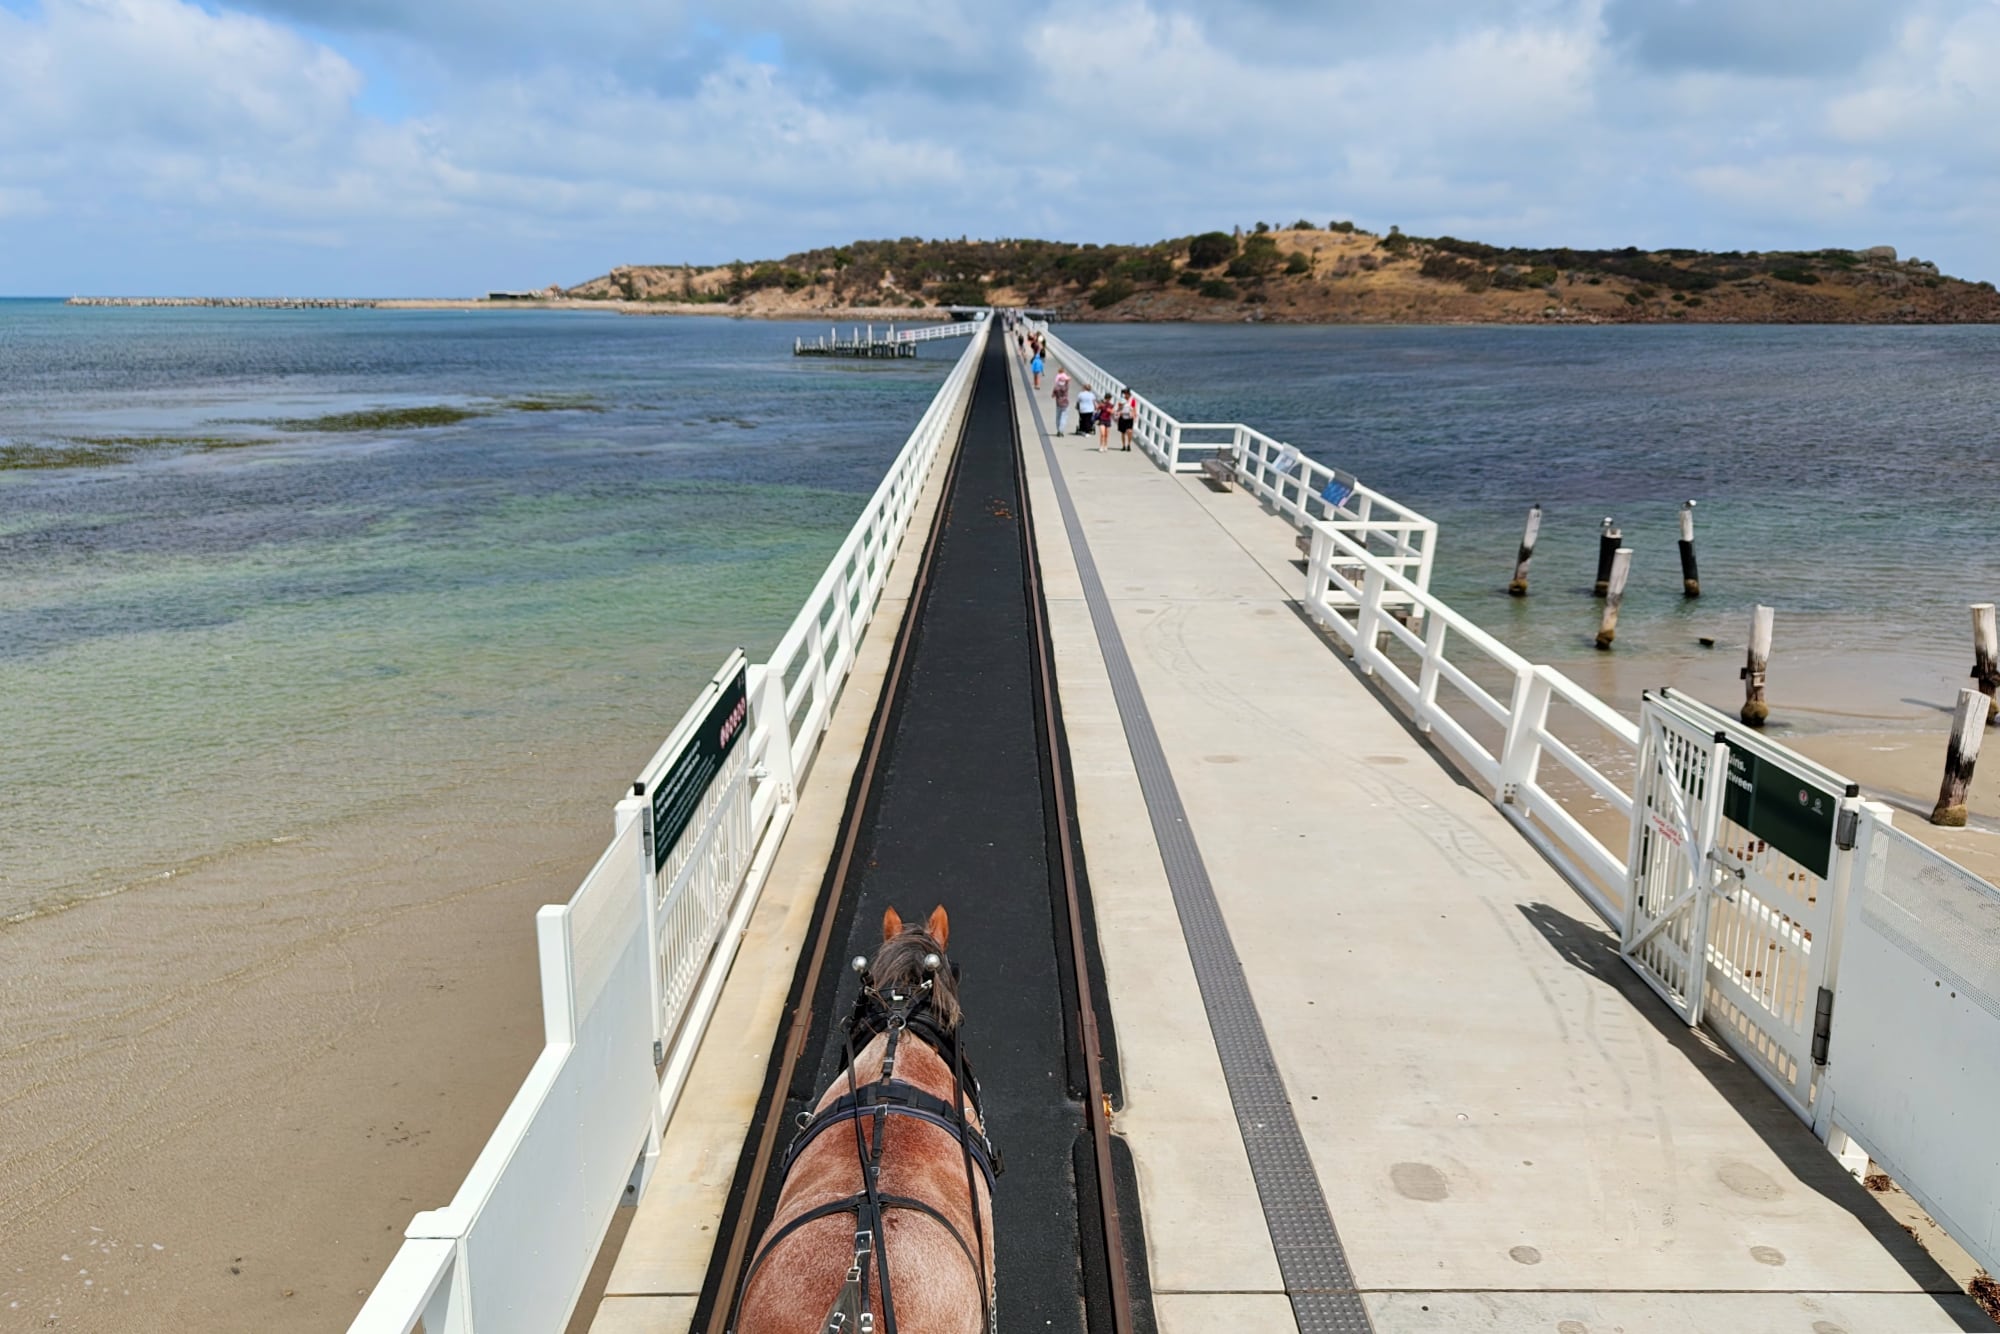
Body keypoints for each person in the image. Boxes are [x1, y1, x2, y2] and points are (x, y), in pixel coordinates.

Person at [1051, 369, 1070, 434]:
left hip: (1058, 403)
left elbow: (1052, 396)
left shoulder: (1056, 387)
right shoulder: (1066, 386)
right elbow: (1068, 381)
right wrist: (1066, 378)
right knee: (1064, 417)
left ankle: (1058, 429)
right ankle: (1061, 430)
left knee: (1058, 417)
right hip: (1065, 403)